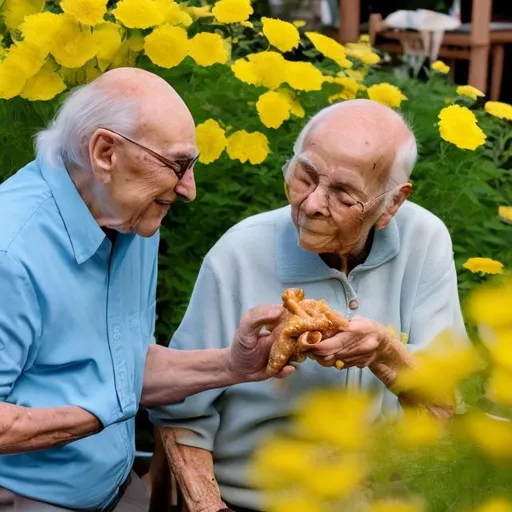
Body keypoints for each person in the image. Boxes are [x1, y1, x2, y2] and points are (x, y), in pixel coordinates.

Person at [150, 99, 467, 512]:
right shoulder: (240, 252)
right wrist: (211, 508)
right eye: (306, 176)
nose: (313, 203)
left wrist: (388, 352)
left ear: (391, 204)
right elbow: (179, 411)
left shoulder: (424, 241)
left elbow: (445, 404)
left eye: (343, 193)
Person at [0, 68, 294, 512]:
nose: (189, 189)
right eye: (177, 164)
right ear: (105, 153)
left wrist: (236, 365)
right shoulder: (10, 250)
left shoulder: (131, 214)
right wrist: (111, 405)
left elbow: (130, 364)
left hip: (116, 488)